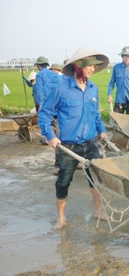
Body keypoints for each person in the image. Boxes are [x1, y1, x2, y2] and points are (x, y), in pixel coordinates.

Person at [39, 48, 109, 230]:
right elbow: (45, 114)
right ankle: (61, 218)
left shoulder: (94, 89)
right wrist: (51, 136)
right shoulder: (61, 89)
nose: (93, 69)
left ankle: (99, 211)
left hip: (91, 142)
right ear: (79, 66)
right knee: (63, 181)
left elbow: (96, 116)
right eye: (91, 66)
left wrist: (102, 131)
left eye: (95, 66)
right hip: (69, 146)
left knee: (95, 178)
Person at [107, 46, 129, 115]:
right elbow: (111, 83)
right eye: (125, 56)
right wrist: (109, 94)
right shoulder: (116, 68)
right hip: (119, 99)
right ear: (122, 56)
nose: (127, 58)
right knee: (116, 122)